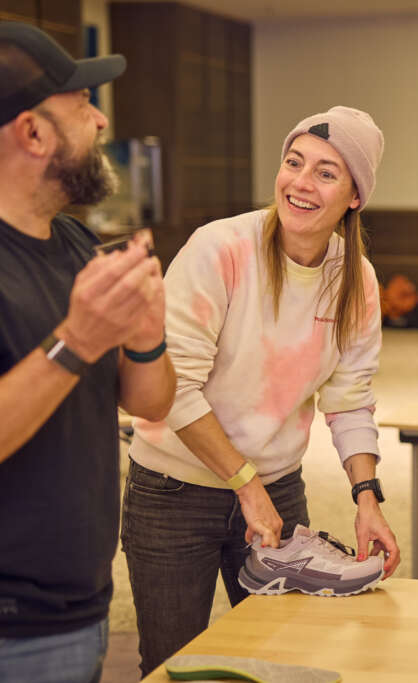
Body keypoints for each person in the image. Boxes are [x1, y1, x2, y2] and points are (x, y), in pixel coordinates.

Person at [122, 106, 401, 676]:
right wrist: (245, 485)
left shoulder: (357, 280)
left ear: (354, 196)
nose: (300, 182)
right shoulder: (219, 249)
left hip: (277, 488)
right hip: (174, 493)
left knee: (282, 658)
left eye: (326, 172)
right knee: (175, 666)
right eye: (293, 162)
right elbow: (174, 389)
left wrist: (367, 497)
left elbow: (349, 397)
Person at [0, 22, 175, 683]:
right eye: (83, 106)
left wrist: (146, 332)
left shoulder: (75, 245)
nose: (101, 120)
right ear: (34, 133)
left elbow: (148, 403)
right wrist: (77, 339)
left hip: (84, 606)